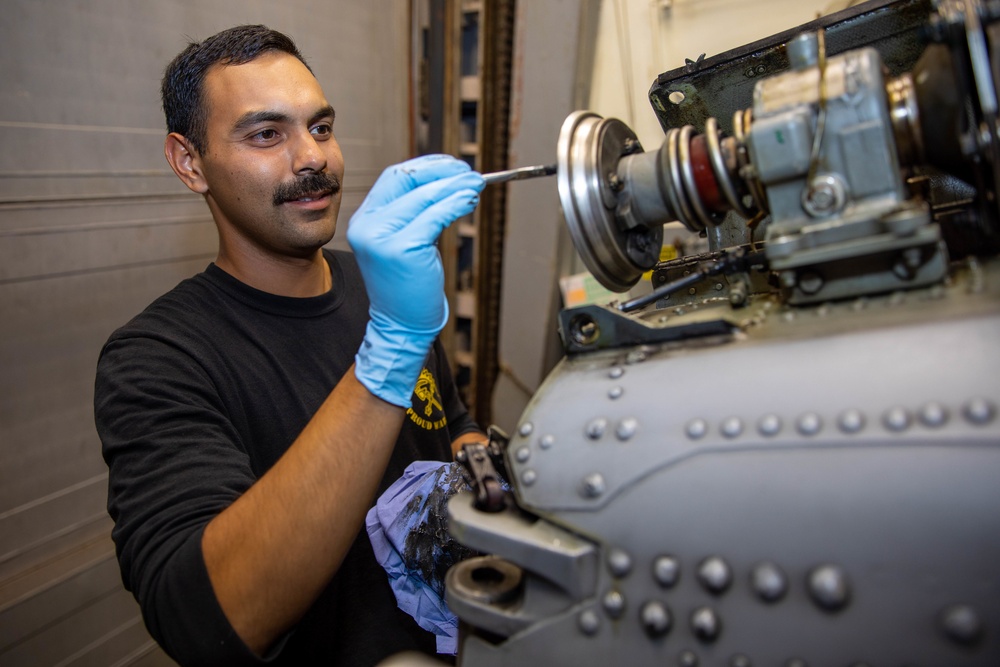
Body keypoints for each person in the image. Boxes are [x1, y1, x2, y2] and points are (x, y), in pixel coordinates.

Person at [94, 24, 486, 666]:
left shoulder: (378, 288)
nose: (313, 158)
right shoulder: (158, 359)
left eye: (322, 127)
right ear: (189, 162)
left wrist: (492, 475)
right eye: (266, 134)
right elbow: (210, 619)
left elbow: (451, 422)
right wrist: (391, 348)